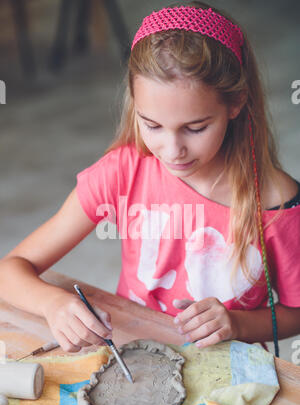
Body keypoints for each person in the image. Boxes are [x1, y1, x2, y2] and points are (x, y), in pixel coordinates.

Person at [0, 2, 300, 356]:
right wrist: (52, 303)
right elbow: (10, 270)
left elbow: (295, 312)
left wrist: (237, 324)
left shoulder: (276, 201)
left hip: (231, 371)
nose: (173, 150)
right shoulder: (122, 172)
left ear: (236, 104)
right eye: (152, 125)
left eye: (195, 128)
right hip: (135, 355)